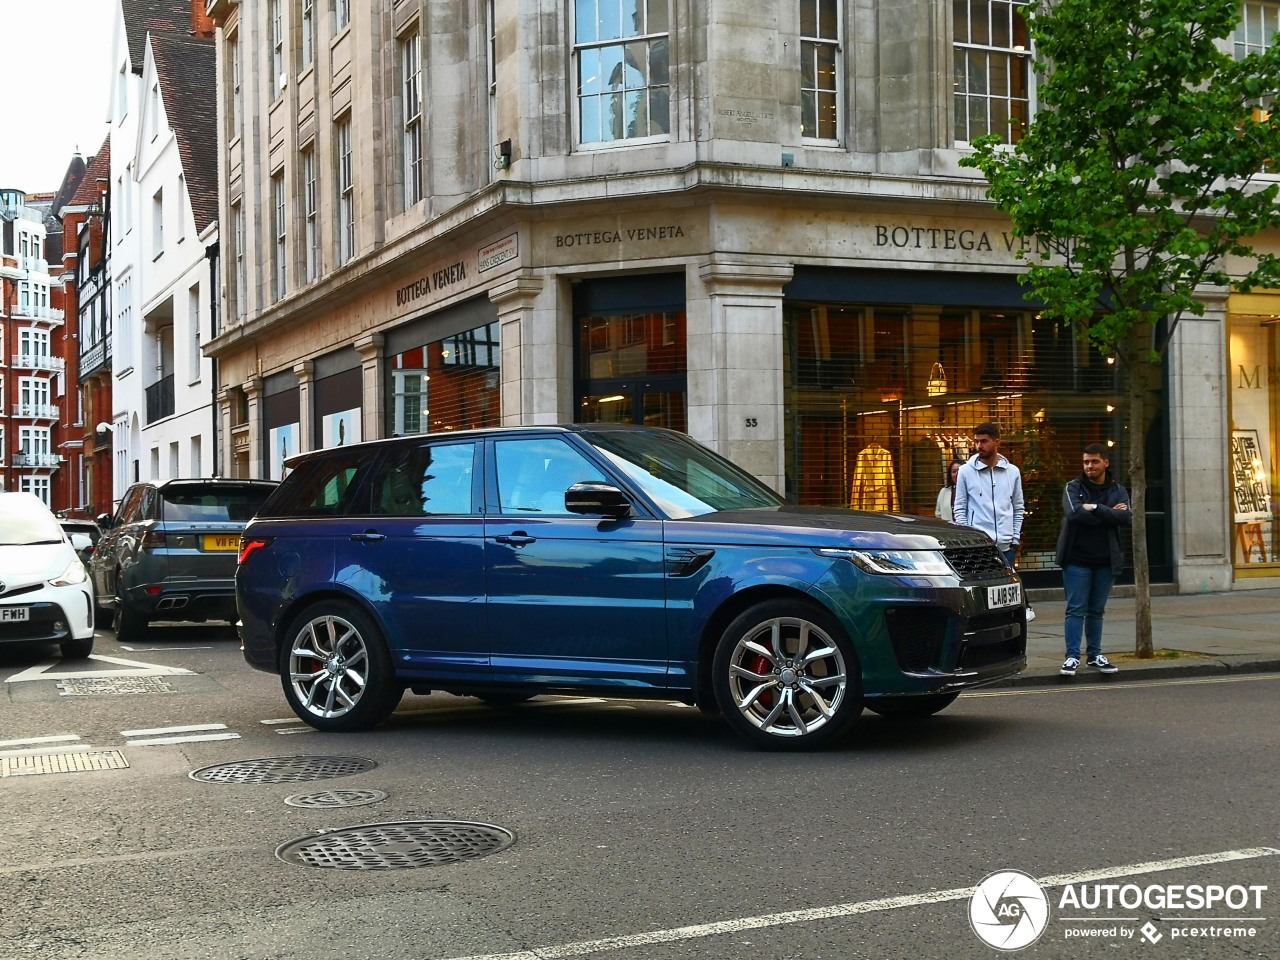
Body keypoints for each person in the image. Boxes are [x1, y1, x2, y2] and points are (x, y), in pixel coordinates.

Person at [1054, 443, 1131, 676]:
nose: (1090, 466)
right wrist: (1109, 513)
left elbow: (1125, 517)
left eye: (1095, 461)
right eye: (1086, 461)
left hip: (1106, 559)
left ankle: (1095, 655)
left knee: (1096, 610)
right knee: (1076, 609)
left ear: (1106, 463)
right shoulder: (1073, 487)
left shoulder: (1118, 489)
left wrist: (1095, 507)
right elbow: (1075, 514)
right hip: (1077, 559)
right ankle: (1072, 657)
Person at [953, 422, 1036, 621]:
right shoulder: (966, 471)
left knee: (1006, 591)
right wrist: (968, 538)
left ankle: (1011, 623)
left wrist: (1014, 538)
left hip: (1006, 543)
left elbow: (1018, 506)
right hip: (978, 545)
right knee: (982, 591)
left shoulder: (1012, 472)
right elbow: (960, 507)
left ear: (996, 442)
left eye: (984, 441)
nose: (979, 446)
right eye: (976, 442)